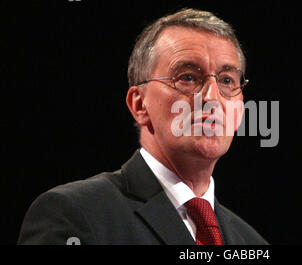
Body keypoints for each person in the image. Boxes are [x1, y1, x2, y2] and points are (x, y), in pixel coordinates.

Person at [18, 8, 268, 245]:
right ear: (139, 105)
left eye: (227, 80)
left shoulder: (251, 241)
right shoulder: (74, 214)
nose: (212, 97)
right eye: (188, 77)